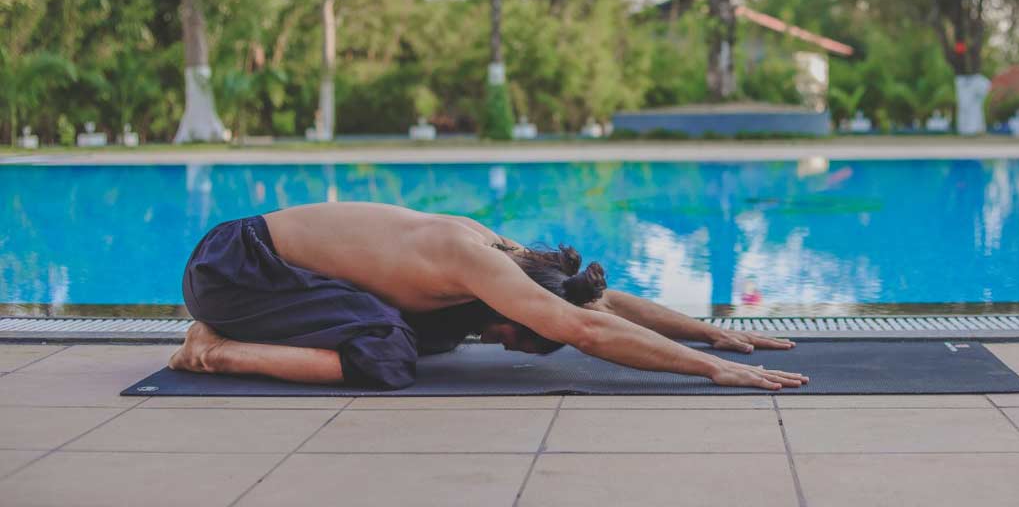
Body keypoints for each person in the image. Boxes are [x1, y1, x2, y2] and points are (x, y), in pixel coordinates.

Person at [168, 202, 807, 391]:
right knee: (392, 354)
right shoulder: (478, 265)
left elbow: (595, 305)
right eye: (516, 336)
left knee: (420, 332)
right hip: (237, 273)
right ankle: (213, 351)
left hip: (258, 263)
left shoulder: (507, 253)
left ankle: (225, 339)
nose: (504, 341)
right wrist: (716, 371)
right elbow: (584, 329)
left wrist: (706, 329)